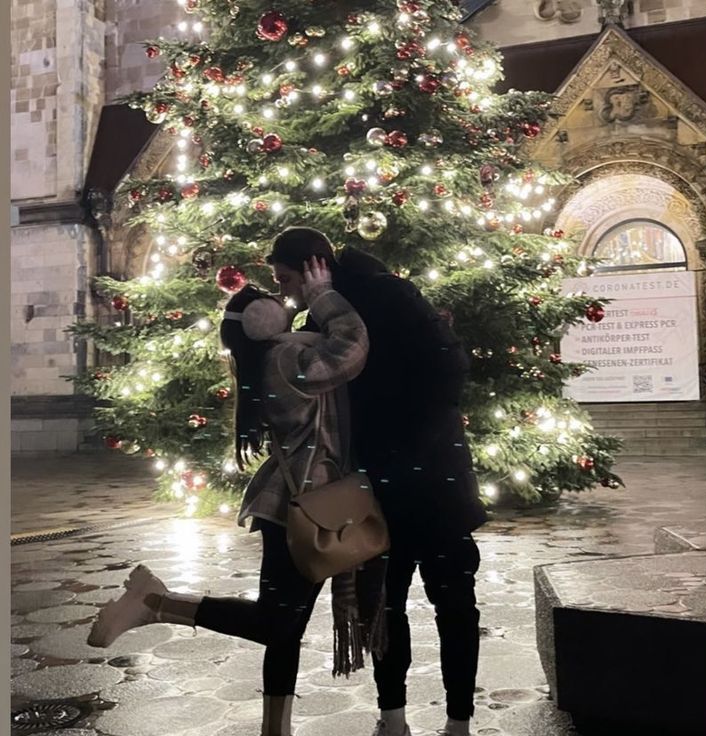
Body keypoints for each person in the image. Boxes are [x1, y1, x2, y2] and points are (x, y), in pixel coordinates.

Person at [86, 257, 386, 736]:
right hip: (301, 508)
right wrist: (325, 295)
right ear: (264, 320)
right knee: (276, 624)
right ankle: (159, 602)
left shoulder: (268, 357)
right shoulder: (286, 358)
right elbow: (350, 348)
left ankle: (275, 729)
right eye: (275, 299)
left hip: (299, 503)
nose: (283, 300)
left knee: (285, 628)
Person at [267, 227, 489, 736]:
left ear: (313, 266)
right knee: (384, 607)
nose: (286, 292)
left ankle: (458, 723)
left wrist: (394, 432)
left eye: (286, 279)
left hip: (430, 480)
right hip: (380, 486)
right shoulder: (321, 315)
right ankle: (393, 719)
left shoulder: (386, 293)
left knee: (451, 602)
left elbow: (449, 369)